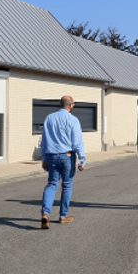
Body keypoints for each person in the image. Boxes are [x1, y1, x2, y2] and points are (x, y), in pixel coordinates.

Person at [38, 95, 85, 229]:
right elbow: (77, 142)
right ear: (70, 105)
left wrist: (44, 158)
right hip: (67, 156)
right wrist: (82, 159)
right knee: (66, 185)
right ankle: (63, 215)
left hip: (52, 156)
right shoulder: (73, 120)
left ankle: (45, 213)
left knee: (52, 184)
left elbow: (44, 141)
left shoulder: (49, 118)